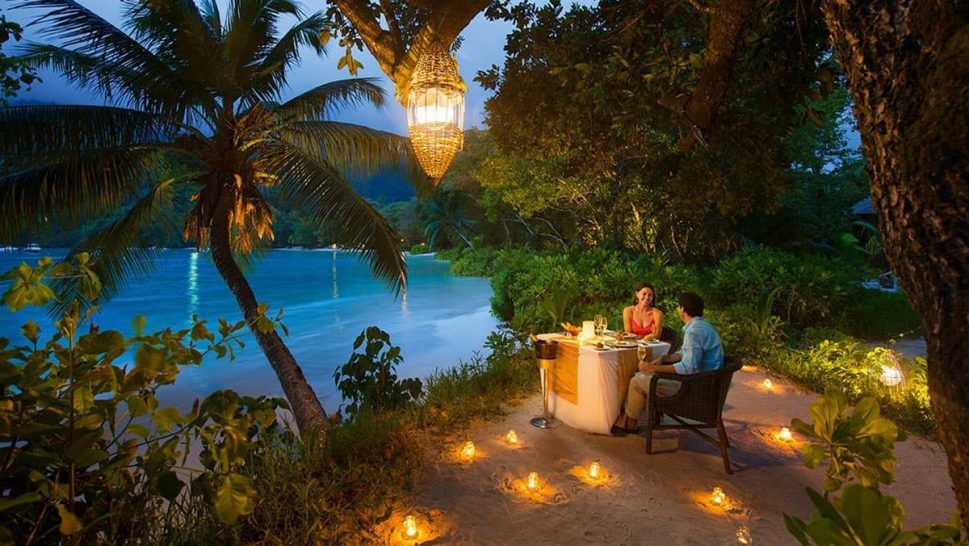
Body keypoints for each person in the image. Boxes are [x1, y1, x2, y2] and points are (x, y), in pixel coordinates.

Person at [613, 292, 724, 433]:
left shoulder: (694, 332)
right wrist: (664, 359)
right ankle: (633, 420)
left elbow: (687, 367)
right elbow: (684, 353)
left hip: (695, 388)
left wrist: (655, 368)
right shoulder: (703, 326)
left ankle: (628, 422)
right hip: (705, 383)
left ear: (682, 309)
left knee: (637, 380)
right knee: (642, 377)